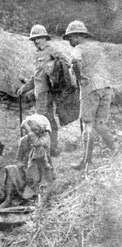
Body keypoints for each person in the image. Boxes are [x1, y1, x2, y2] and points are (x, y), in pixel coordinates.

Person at [63, 20, 116, 171]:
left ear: (78, 36)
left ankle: (86, 162)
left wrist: (80, 77)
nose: (69, 42)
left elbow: (74, 60)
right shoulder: (97, 48)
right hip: (106, 88)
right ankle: (116, 151)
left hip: (90, 88)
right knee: (100, 124)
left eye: (70, 38)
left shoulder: (79, 48)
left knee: (88, 125)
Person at [17, 24, 69, 157]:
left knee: (39, 121)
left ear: (45, 38)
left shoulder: (51, 50)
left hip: (46, 92)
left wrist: (52, 68)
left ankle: (43, 150)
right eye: (34, 39)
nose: (35, 41)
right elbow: (37, 77)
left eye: (38, 38)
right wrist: (24, 88)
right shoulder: (38, 54)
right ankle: (53, 149)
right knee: (49, 120)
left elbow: (65, 62)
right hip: (39, 92)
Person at [0, 114, 55, 208]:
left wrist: (30, 131)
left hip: (42, 172)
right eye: (29, 129)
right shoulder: (24, 140)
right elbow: (18, 159)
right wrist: (22, 166)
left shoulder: (45, 138)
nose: (29, 132)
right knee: (10, 169)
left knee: (39, 153)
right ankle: (8, 199)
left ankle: (39, 199)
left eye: (34, 129)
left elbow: (37, 144)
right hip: (26, 171)